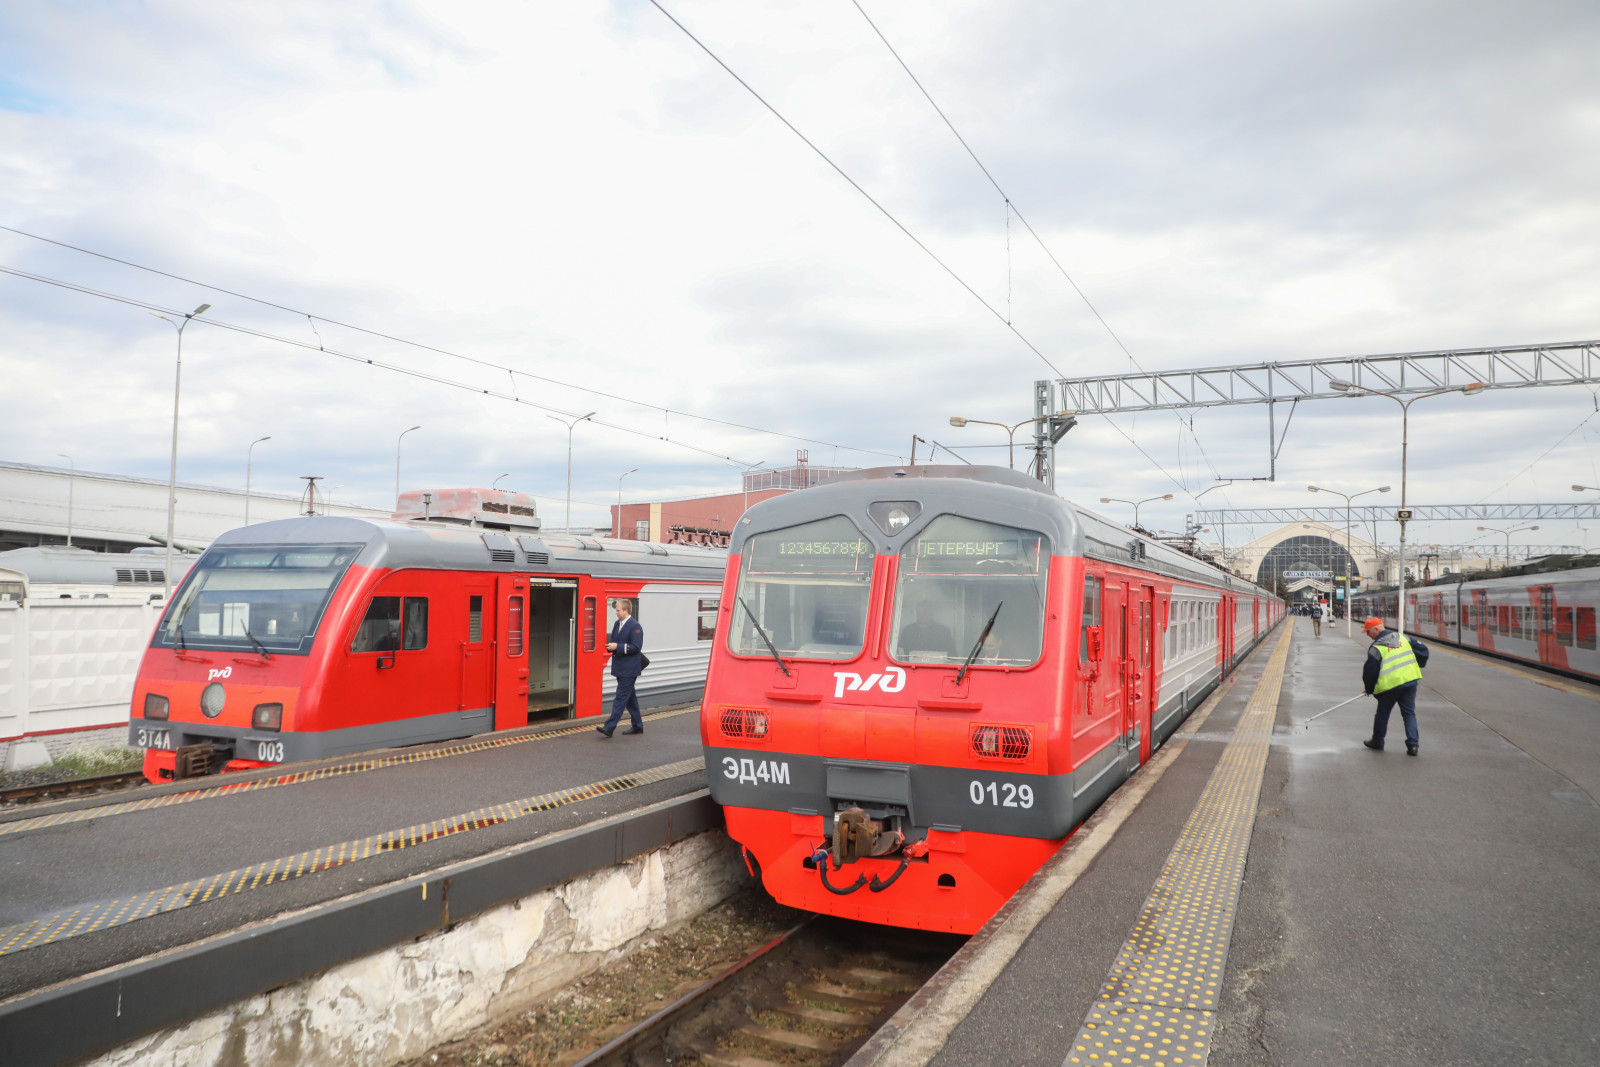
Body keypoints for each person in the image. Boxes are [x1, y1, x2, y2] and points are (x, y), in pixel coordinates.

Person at [1360, 615, 1429, 756]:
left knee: (1382, 714)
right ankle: (1413, 745)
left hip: (1390, 686)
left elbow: (1370, 671)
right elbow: (1423, 651)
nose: (1368, 635)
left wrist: (1369, 688)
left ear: (1377, 628)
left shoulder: (1377, 647)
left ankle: (1378, 741)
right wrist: (1417, 664)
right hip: (1410, 681)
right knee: (1409, 713)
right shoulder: (1404, 638)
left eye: (1368, 631)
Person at [599, 599, 645, 737]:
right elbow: (616, 640)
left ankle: (609, 727)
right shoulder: (616, 624)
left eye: (618, 610)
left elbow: (636, 647)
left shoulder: (635, 626)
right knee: (630, 699)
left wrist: (617, 647)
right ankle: (637, 725)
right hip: (620, 667)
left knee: (620, 697)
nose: (616, 613)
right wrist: (611, 646)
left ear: (626, 610)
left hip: (629, 669)